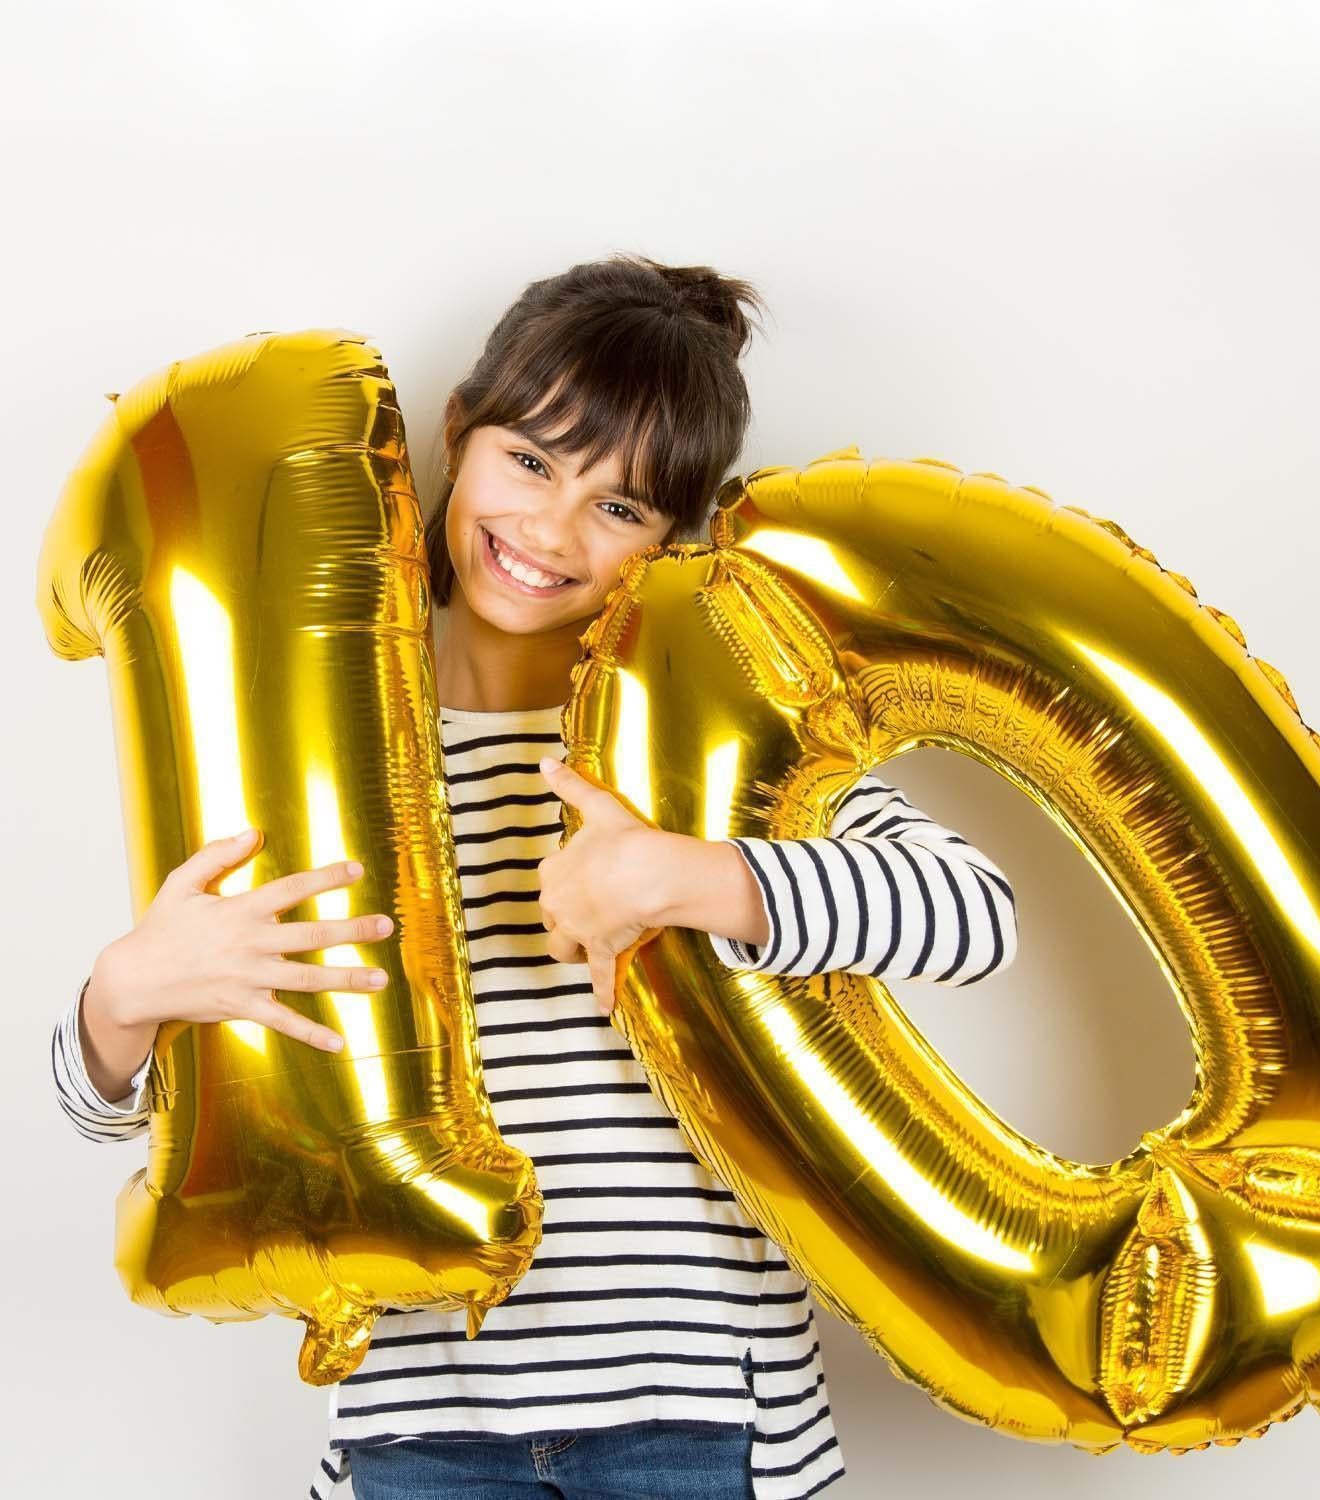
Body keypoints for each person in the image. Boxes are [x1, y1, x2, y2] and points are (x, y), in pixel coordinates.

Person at [50, 254, 1021, 1500]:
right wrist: (125, 996)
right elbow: (123, 1110)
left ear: (680, 535)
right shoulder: (309, 755)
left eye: (621, 509)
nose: (554, 531)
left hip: (700, 1411)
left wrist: (688, 877)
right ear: (460, 433)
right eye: (532, 463)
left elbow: (970, 914)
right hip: (417, 1420)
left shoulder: (687, 745)